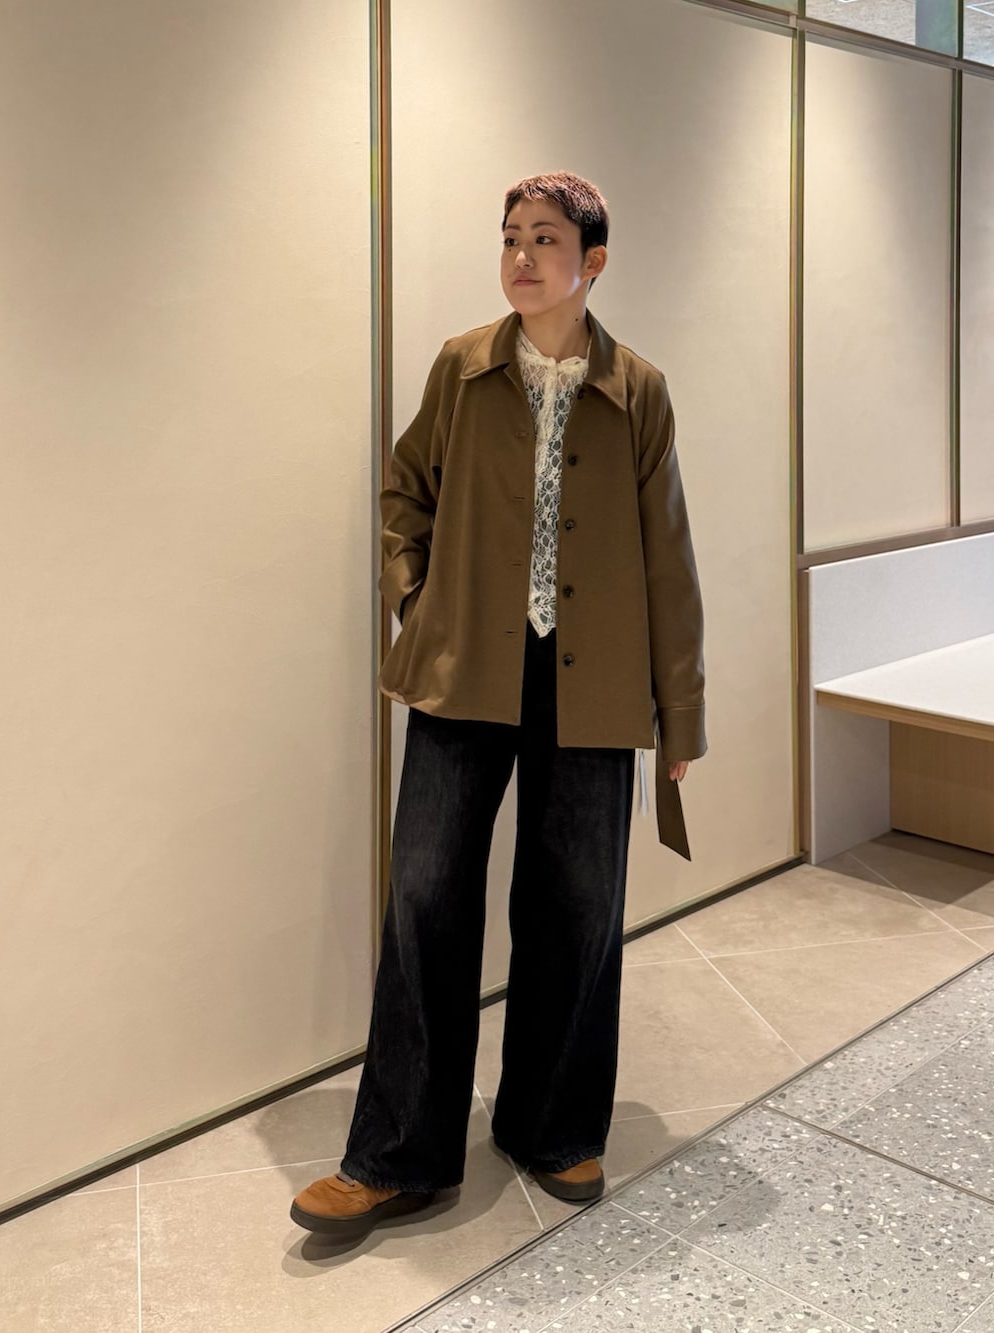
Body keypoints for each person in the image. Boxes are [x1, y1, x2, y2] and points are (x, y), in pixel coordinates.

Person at [291, 171, 706, 1238]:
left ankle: (553, 1126)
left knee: (577, 905)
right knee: (426, 897)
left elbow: (668, 556)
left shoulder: (638, 390)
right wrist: (416, 600)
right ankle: (397, 1155)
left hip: (595, 681)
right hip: (463, 668)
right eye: (511, 237)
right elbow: (404, 491)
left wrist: (681, 713)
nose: (522, 255)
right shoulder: (462, 367)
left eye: (546, 239)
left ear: (593, 261)